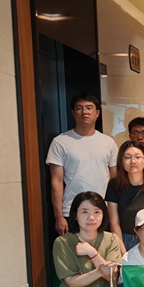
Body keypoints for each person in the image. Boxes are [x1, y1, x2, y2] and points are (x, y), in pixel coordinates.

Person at [46, 93, 118, 235]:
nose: (84, 112)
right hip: (72, 210)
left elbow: (115, 180)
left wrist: (115, 213)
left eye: (89, 108)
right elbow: (56, 181)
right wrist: (58, 216)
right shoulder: (60, 142)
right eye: (79, 108)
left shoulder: (108, 142)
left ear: (97, 113)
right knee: (75, 248)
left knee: (102, 249)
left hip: (102, 210)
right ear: (73, 113)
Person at [105, 141, 144, 255]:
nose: (133, 161)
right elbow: (114, 222)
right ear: (121, 161)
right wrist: (122, 250)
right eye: (127, 157)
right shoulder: (114, 185)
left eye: (138, 157)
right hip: (124, 239)